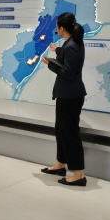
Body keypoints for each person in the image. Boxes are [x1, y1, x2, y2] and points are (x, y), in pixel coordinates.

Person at [41, 12, 87, 186]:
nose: (56, 30)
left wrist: (50, 64)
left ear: (61, 28)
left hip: (70, 97)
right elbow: (67, 56)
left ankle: (79, 174)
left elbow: (68, 72)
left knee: (70, 134)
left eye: (57, 27)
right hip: (66, 95)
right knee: (61, 130)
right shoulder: (71, 43)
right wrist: (56, 50)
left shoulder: (72, 46)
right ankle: (60, 164)